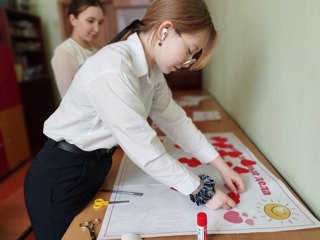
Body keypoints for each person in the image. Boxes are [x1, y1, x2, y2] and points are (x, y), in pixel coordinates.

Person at [24, 0, 245, 239]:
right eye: (190, 50)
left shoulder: (153, 71)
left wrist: (220, 165)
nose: (187, 62)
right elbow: (144, 148)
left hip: (94, 167)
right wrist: (201, 191)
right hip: (61, 175)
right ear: (165, 30)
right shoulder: (113, 67)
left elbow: (175, 121)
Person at [51, 0, 104, 97]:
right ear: (73, 20)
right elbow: (70, 98)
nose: (97, 29)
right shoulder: (64, 53)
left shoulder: (96, 51)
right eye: (90, 21)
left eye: (100, 23)